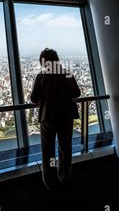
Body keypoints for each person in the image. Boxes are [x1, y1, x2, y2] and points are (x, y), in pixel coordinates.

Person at [30, 48, 81, 190]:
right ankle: (65, 176)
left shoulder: (41, 77)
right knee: (65, 148)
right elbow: (76, 93)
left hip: (48, 117)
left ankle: (50, 181)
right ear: (56, 60)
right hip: (66, 116)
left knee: (48, 151)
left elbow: (34, 99)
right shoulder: (67, 74)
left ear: (43, 62)